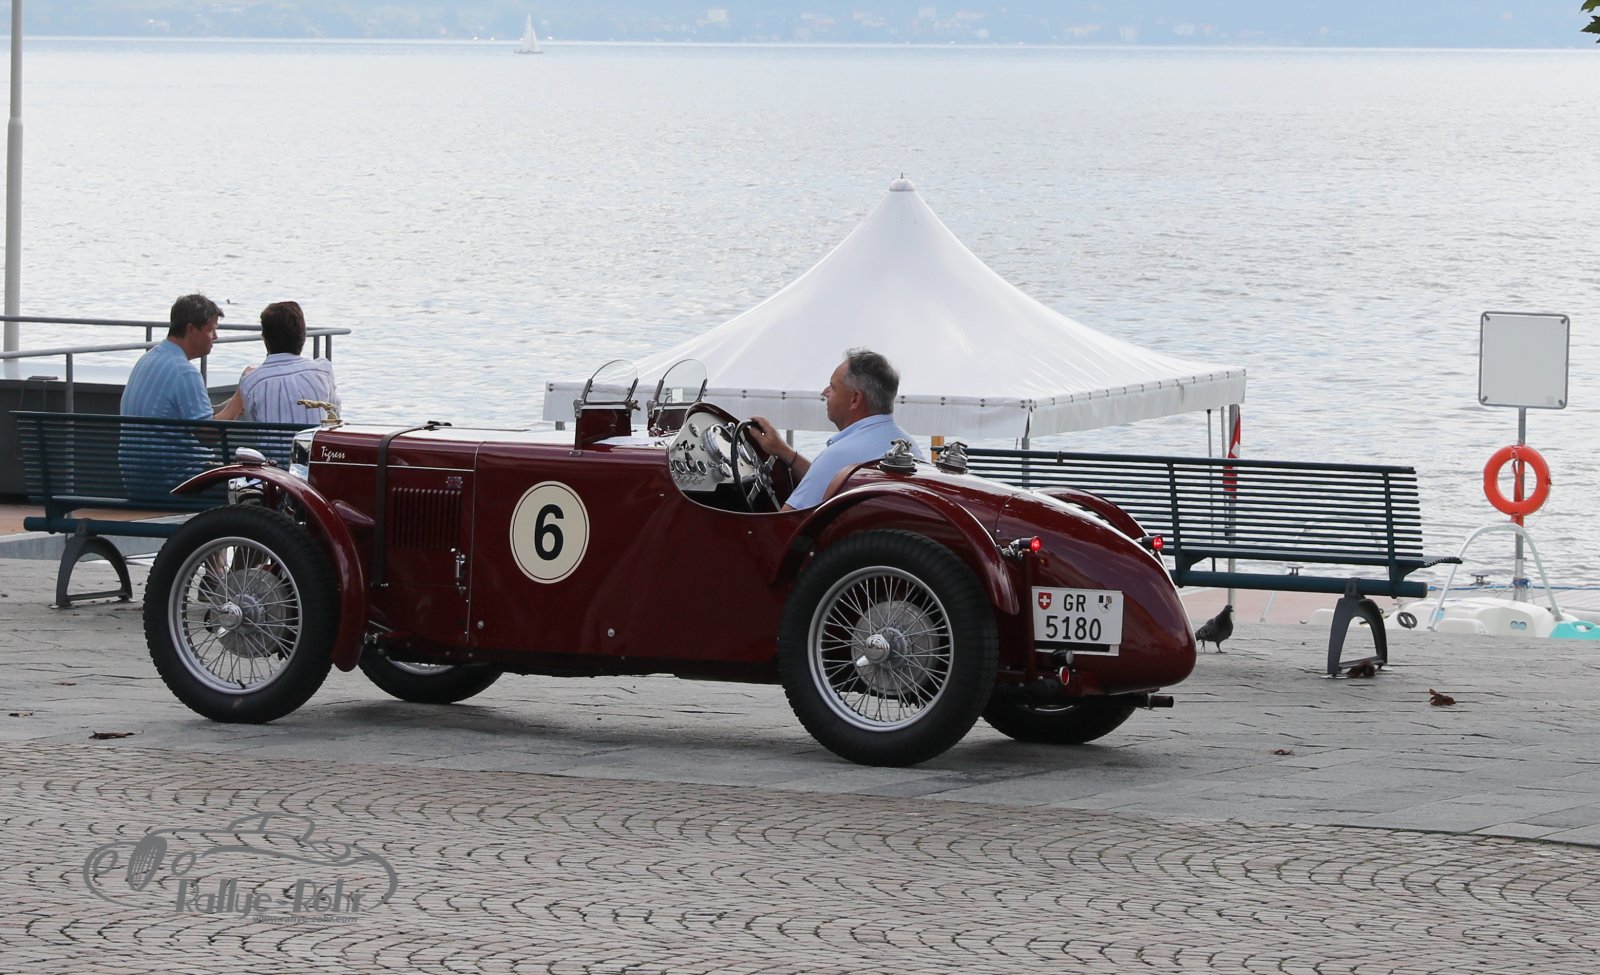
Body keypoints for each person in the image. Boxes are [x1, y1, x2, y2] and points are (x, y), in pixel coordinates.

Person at [748, 347, 924, 511]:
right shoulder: (906, 445)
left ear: (854, 399)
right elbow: (828, 480)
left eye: (833, 387)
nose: (825, 392)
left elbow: (783, 523)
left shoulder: (842, 454)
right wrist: (783, 451)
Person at [119, 294, 246, 496]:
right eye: (211, 330)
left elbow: (192, 416)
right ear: (191, 329)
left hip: (138, 482)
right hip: (174, 482)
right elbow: (209, 436)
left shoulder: (149, 358)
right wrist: (241, 394)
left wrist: (231, 405)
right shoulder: (184, 372)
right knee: (254, 486)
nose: (215, 337)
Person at [239, 301, 340, 425]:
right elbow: (335, 419)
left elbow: (253, 423)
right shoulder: (323, 371)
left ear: (265, 338)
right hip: (313, 438)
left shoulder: (251, 381)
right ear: (303, 336)